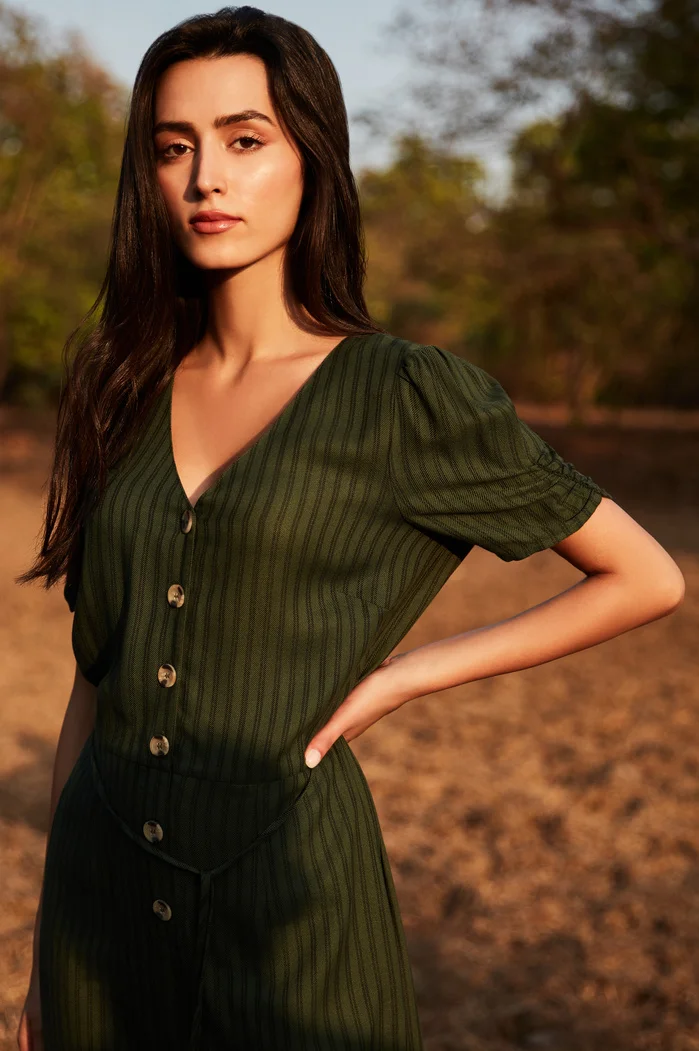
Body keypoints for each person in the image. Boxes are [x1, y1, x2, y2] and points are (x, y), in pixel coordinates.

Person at [16, 6, 684, 1051]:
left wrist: (401, 678)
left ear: (312, 157)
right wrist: (53, 939)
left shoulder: (405, 393)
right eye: (172, 148)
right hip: (100, 906)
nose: (205, 180)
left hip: (291, 906)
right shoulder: (119, 386)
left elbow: (644, 577)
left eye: (245, 140)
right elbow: (94, 677)